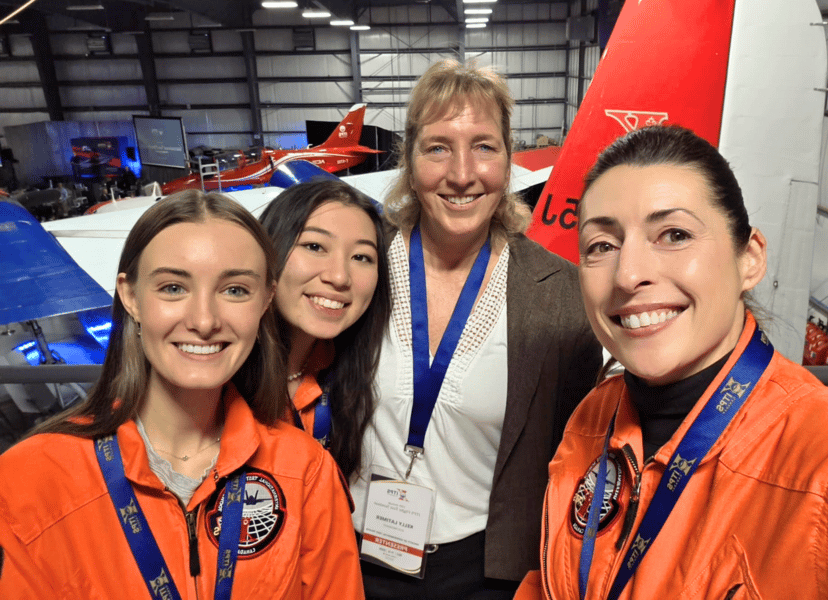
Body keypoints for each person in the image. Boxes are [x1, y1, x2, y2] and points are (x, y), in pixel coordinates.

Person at [515, 124, 828, 600]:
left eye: (674, 234)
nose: (629, 274)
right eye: (602, 246)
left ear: (750, 259)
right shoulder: (594, 416)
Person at [0, 190, 364, 599]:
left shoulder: (307, 472)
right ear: (131, 296)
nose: (204, 321)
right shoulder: (30, 479)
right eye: (173, 288)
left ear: (265, 302)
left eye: (236, 290)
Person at [349, 59, 603, 598]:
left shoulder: (560, 294)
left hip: (484, 573)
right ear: (410, 160)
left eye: (484, 147)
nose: (462, 173)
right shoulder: (361, 263)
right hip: (351, 555)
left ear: (508, 162)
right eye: (438, 147)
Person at [258, 179, 390, 480]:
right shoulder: (212, 383)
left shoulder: (350, 376)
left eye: (361, 257)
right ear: (269, 250)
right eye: (315, 246)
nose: (340, 276)